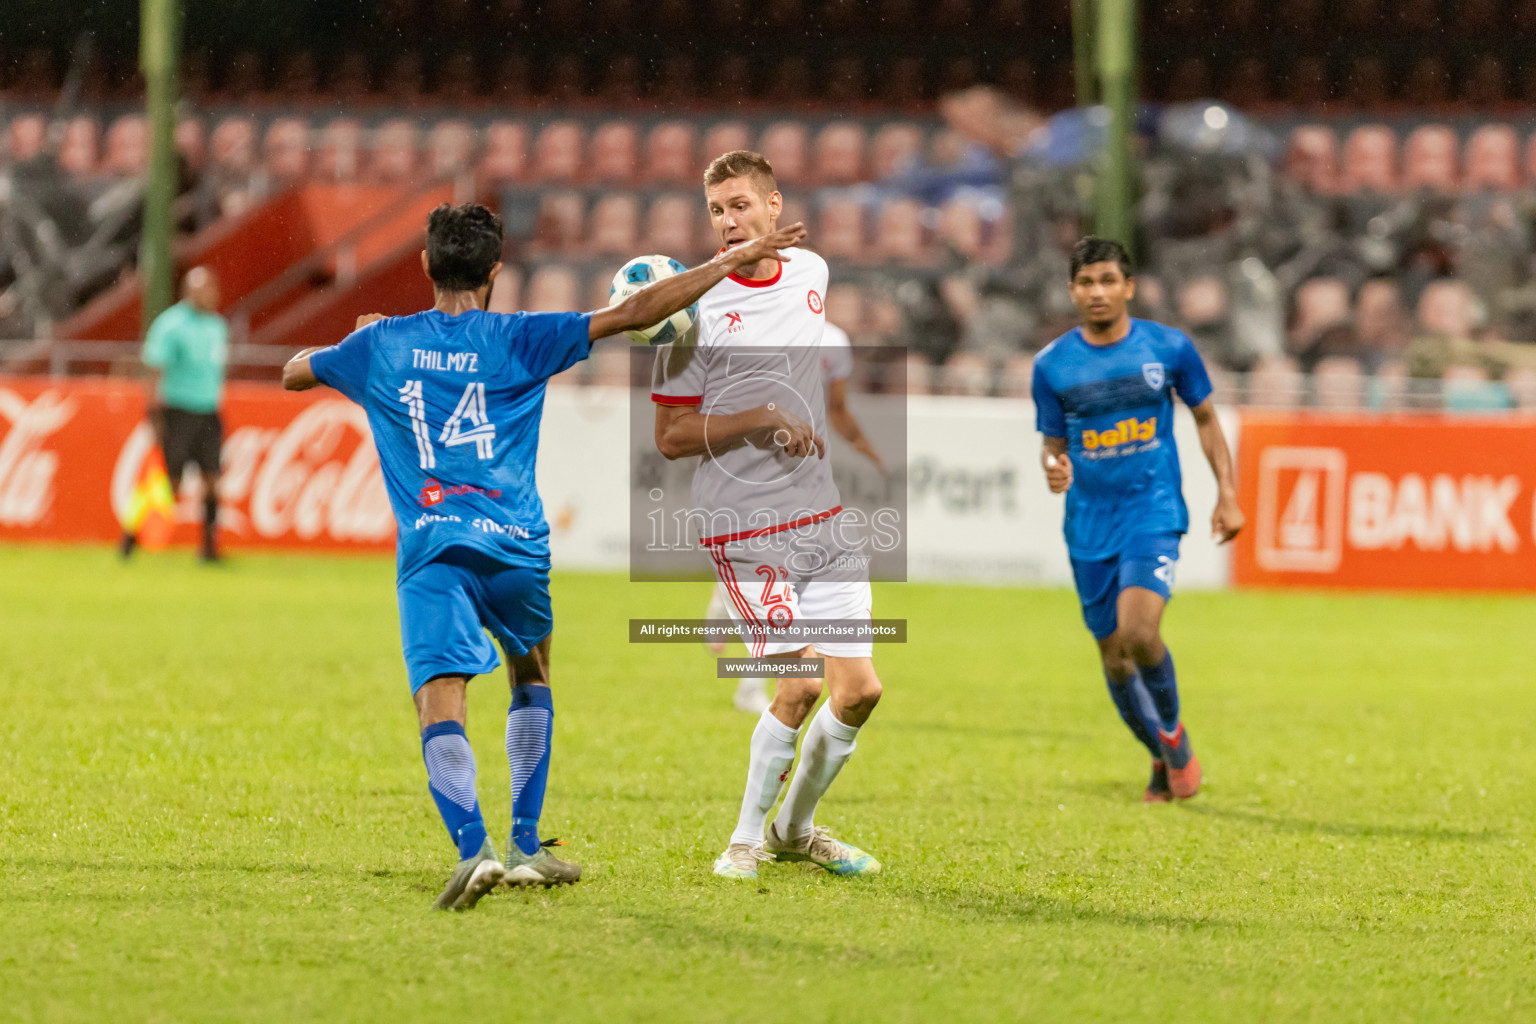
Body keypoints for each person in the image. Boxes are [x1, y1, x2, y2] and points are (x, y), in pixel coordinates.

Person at [282, 202, 806, 910]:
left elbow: (293, 372)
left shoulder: (382, 347)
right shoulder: (524, 337)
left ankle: (475, 850)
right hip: (518, 549)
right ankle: (529, 846)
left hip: (435, 547)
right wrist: (728, 263)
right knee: (531, 674)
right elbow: (632, 313)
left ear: (425, 266)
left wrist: (363, 335)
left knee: (441, 695)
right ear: (497, 271)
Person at [654, 151, 883, 881]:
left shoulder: (811, 274)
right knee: (800, 684)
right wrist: (757, 420)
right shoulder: (689, 312)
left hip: (819, 512)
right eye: (717, 210)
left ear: (775, 206)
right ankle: (743, 842)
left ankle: (793, 829)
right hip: (743, 522)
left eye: (741, 205)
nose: (728, 221)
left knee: (860, 690)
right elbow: (670, 439)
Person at [1031, 237, 1244, 803]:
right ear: (1072, 291)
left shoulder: (1168, 348)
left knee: (1140, 632)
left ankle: (1175, 740)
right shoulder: (1052, 365)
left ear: (1128, 286)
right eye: (1085, 282)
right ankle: (1159, 753)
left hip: (1152, 510)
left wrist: (1228, 494)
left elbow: (1204, 418)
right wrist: (1054, 468)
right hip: (1088, 523)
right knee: (1112, 652)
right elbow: (1053, 445)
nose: (1096, 292)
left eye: (1107, 280)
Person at [707, 316, 887, 715]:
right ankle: (737, 637)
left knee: (786, 580)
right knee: (777, 573)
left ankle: (728, 614)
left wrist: (862, 445)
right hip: (754, 469)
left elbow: (837, 409)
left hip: (806, 468)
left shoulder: (834, 340)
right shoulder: (758, 330)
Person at [122, 266, 228, 562]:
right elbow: (154, 370)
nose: (211, 294)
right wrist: (153, 413)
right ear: (189, 292)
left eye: (212, 288)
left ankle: (209, 548)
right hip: (178, 411)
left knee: (212, 479)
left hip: (209, 412)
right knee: (168, 481)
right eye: (204, 289)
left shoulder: (218, 326)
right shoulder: (170, 325)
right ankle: (130, 536)